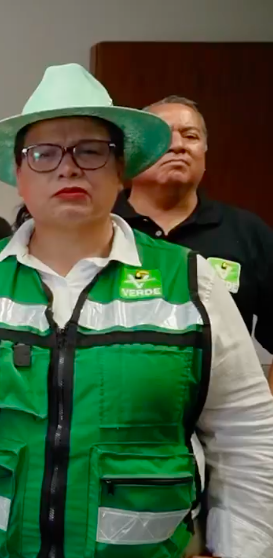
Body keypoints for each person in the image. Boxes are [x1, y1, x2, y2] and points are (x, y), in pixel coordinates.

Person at [0, 63, 273, 558]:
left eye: (91, 151)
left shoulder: (190, 280)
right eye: (44, 153)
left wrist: (240, 554)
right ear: (19, 176)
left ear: (121, 171)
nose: (68, 168)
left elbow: (246, 432)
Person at [116, 96, 273, 389]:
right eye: (163, 136)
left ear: (204, 154)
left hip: (221, 412)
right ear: (132, 153)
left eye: (191, 136)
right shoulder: (101, 226)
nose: (178, 146)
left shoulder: (247, 232)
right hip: (111, 408)